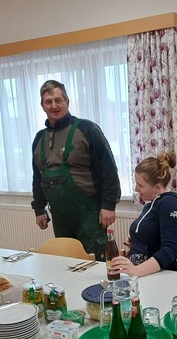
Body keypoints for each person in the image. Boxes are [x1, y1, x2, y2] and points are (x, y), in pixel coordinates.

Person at [31, 80, 121, 261]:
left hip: (89, 214)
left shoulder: (87, 129)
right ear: (42, 106)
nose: (54, 106)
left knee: (95, 263)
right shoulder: (39, 138)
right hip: (60, 216)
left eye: (58, 100)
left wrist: (109, 205)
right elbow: (37, 177)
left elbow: (108, 168)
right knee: (67, 262)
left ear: (67, 102)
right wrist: (39, 208)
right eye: (48, 102)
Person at [110, 151, 177, 277]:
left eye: (140, 185)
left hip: (164, 276)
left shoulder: (171, 205)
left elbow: (170, 250)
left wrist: (137, 270)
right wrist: (139, 242)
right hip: (145, 274)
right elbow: (154, 241)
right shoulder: (150, 206)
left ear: (157, 187)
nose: (136, 189)